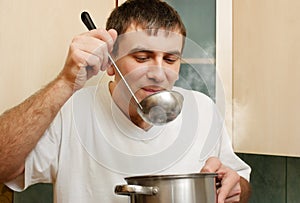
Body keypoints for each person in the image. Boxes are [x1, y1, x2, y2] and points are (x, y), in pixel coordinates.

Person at [0, 0, 251, 202]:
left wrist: (233, 187)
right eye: (142, 57)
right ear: (110, 62)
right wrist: (65, 82)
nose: (159, 72)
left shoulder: (203, 110)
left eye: (170, 59)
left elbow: (239, 184)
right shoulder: (69, 112)